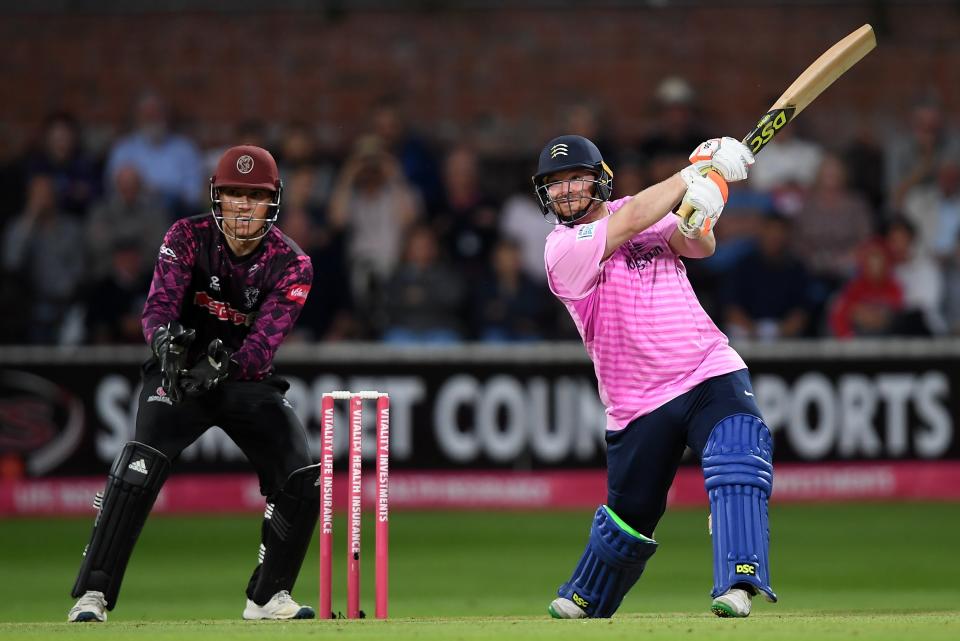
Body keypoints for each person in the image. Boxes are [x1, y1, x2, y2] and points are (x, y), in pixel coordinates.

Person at [67, 145, 317, 622]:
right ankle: (92, 596)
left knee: (301, 475)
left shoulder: (292, 263)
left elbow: (264, 345)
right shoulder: (186, 236)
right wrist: (165, 343)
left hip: (245, 380)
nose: (243, 206)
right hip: (179, 373)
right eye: (233, 194)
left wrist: (224, 367)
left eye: (255, 196)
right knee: (138, 467)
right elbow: (158, 310)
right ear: (216, 196)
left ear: (273, 202)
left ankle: (268, 597)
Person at [532, 134, 776, 619]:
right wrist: (692, 175)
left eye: (575, 178)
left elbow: (696, 245)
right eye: (554, 184)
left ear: (600, 178)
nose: (565, 191)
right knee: (631, 517)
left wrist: (701, 214)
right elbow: (632, 220)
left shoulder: (639, 205)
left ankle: (739, 581)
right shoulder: (561, 250)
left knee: (740, 450)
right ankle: (586, 596)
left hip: (707, 367)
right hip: (638, 401)